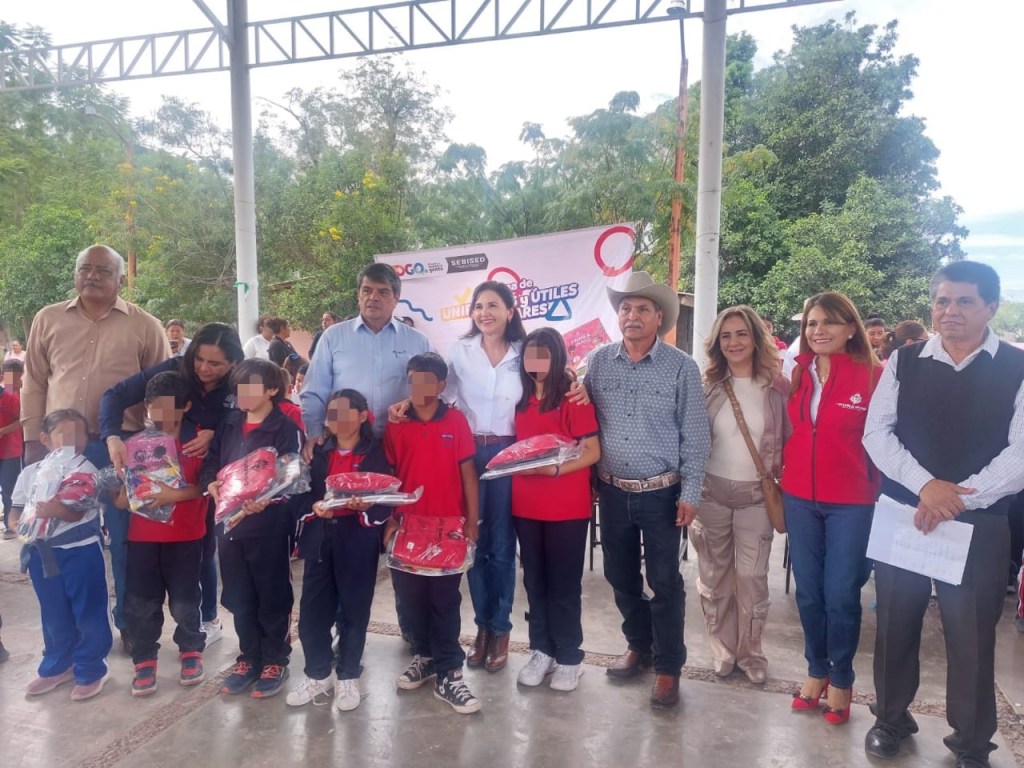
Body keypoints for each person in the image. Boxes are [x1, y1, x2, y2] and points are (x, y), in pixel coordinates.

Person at [862, 261, 1024, 768]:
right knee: (895, 622)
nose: (950, 311)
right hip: (906, 515)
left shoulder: (1017, 367)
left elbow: (1020, 453)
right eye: (942, 301)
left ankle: (972, 743)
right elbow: (877, 433)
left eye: (965, 301)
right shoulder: (904, 362)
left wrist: (957, 501)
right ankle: (890, 719)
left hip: (979, 523)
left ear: (991, 308)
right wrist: (926, 487)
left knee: (971, 635)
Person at [21, 244, 169, 654]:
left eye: (102, 270)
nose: (92, 276)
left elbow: (165, 389)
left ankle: (130, 625)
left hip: (122, 446)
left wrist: (163, 450)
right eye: (84, 268)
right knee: (58, 537)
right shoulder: (47, 318)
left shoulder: (145, 325)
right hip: (59, 452)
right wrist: (34, 441)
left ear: (120, 279)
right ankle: (70, 631)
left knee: (125, 540)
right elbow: (33, 381)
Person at [585, 271, 711, 709]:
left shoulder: (681, 367)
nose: (631, 315)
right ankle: (638, 644)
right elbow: (582, 423)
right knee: (620, 577)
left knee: (665, 582)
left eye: (641, 309)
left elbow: (696, 437)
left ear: (659, 317)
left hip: (662, 495)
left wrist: (691, 492)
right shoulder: (598, 362)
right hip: (613, 492)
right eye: (625, 308)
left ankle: (668, 666)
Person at [101, 322, 244, 646]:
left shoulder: (239, 383)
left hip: (209, 472)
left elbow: (256, 418)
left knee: (203, 547)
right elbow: (114, 396)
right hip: (155, 462)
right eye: (199, 360)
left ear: (233, 363)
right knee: (151, 549)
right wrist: (113, 438)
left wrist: (215, 433)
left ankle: (206, 618)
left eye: (215, 363)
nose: (204, 369)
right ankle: (140, 628)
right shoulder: (173, 370)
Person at [783, 291, 881, 725]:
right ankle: (815, 670)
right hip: (800, 496)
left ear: (849, 328)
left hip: (853, 502)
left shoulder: (875, 376)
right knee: (808, 592)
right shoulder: (799, 373)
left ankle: (841, 678)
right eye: (811, 324)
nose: (818, 331)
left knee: (841, 594)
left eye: (828, 323)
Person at [692, 306, 787, 685]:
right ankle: (723, 649)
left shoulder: (778, 387)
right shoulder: (708, 385)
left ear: (756, 338)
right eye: (726, 336)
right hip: (710, 494)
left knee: (752, 577)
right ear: (717, 343)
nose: (733, 342)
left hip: (755, 498)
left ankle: (751, 651)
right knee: (715, 578)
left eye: (741, 334)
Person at [384, 352, 481, 714]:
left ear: (442, 385)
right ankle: (424, 656)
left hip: (448, 527)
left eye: (428, 381)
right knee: (411, 599)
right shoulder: (396, 423)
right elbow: (390, 474)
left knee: (444, 600)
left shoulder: (455, 421)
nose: (420, 387)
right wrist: (391, 518)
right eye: (413, 380)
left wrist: (472, 521)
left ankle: (449, 672)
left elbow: (469, 474)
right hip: (407, 525)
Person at [203, 359, 303, 699]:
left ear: (272, 389)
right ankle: (248, 657)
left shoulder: (285, 429)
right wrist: (212, 485)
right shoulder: (229, 423)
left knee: (272, 594)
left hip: (269, 527)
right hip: (229, 526)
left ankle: (275, 658)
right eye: (239, 388)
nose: (243, 394)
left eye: (251, 387)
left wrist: (269, 500)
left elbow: (294, 478)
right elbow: (212, 464)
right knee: (238, 594)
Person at [287, 388, 391, 712]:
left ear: (363, 416)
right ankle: (318, 674)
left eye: (347, 413)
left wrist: (366, 506)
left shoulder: (376, 454)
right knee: (312, 616)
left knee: (354, 613)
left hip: (357, 541)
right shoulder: (316, 452)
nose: (339, 420)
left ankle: (348, 675)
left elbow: (386, 498)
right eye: (333, 413)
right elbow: (299, 495)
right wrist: (314, 506)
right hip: (319, 538)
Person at [444, 280, 527, 672]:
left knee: (502, 544)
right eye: (478, 306)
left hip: (509, 454)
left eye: (493, 305)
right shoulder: (460, 352)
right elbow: (441, 396)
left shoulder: (525, 354)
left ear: (510, 311)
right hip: (467, 453)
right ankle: (481, 628)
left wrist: (575, 389)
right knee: (474, 541)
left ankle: (501, 628)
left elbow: (553, 387)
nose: (484, 313)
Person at [511, 328, 600, 692]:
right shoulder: (519, 399)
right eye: (532, 355)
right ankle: (542, 649)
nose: (537, 363)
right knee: (535, 581)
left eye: (544, 355)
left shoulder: (573, 399)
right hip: (525, 504)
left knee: (564, 585)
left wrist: (556, 469)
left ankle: (569, 656)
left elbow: (592, 451)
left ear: (557, 356)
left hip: (566, 505)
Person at [115, 372, 207, 696]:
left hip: (186, 535)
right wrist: (124, 485)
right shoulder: (135, 446)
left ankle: (191, 649)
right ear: (146, 408)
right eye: (156, 410)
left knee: (185, 600)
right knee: (141, 602)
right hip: (142, 537)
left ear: (187, 407)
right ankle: (144, 659)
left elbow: (206, 488)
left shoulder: (198, 445)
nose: (163, 418)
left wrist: (173, 496)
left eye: (172, 410)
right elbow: (123, 499)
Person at [17, 409, 112, 701]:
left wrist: (53, 509)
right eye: (64, 434)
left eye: (79, 434)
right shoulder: (31, 472)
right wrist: (23, 528)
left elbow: (74, 514)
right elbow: (15, 511)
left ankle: (91, 668)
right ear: (45, 438)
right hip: (40, 554)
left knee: (88, 611)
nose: (73, 440)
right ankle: (59, 663)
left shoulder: (88, 472)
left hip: (80, 551)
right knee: (53, 612)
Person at [301, 263, 430, 443]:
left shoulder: (418, 341)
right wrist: (314, 433)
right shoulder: (333, 336)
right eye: (367, 290)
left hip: (401, 440)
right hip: (346, 443)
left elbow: (433, 390)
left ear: (396, 298)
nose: (373, 297)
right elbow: (314, 390)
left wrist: (410, 401)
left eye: (383, 292)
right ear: (358, 295)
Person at [0, 359, 24, 539]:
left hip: (11, 451)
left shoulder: (11, 396)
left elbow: (21, 420)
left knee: (10, 488)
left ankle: (11, 524)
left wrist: (2, 431)